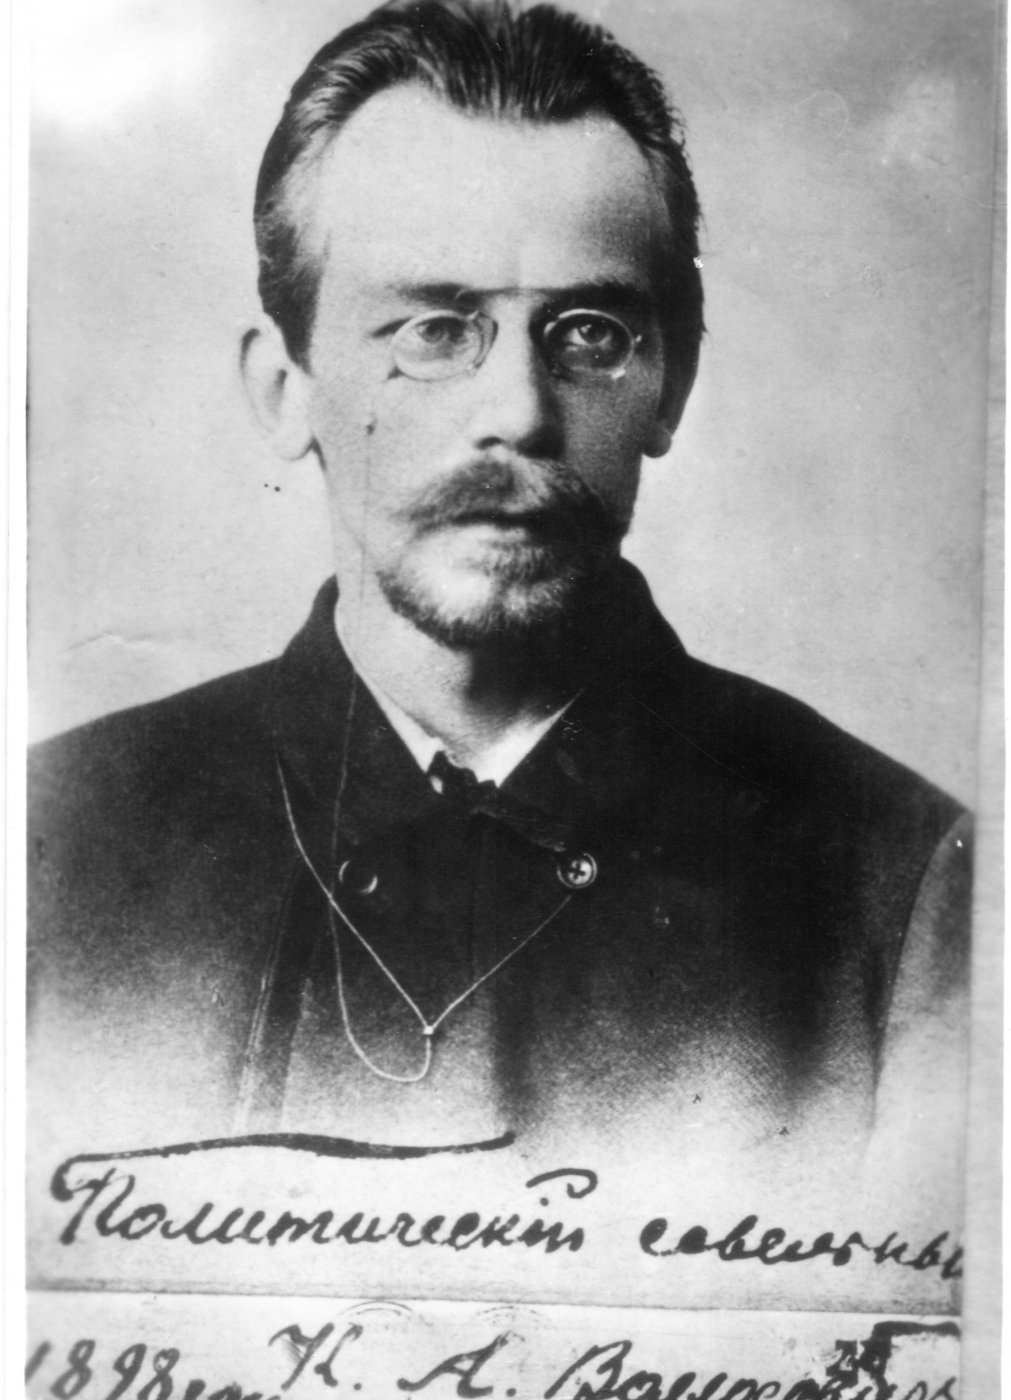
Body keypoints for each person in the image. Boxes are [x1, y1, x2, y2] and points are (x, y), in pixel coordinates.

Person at [28, 0, 969, 1166]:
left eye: (590, 333)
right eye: (434, 328)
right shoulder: (51, 845)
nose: (519, 413)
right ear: (285, 389)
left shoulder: (902, 891)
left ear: (671, 387)